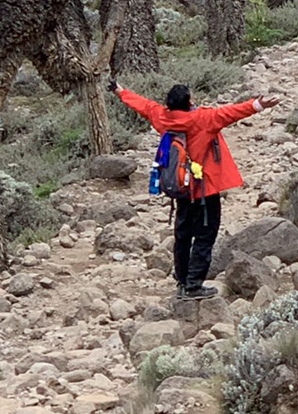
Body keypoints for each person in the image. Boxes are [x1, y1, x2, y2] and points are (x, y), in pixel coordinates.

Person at [111, 77, 276, 302]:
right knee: (205, 236)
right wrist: (258, 105)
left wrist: (121, 91)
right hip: (204, 188)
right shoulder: (203, 119)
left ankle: (181, 281)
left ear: (169, 104)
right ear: (189, 102)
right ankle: (194, 285)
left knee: (182, 234)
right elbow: (231, 113)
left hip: (181, 189)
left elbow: (144, 105)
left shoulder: (162, 117)